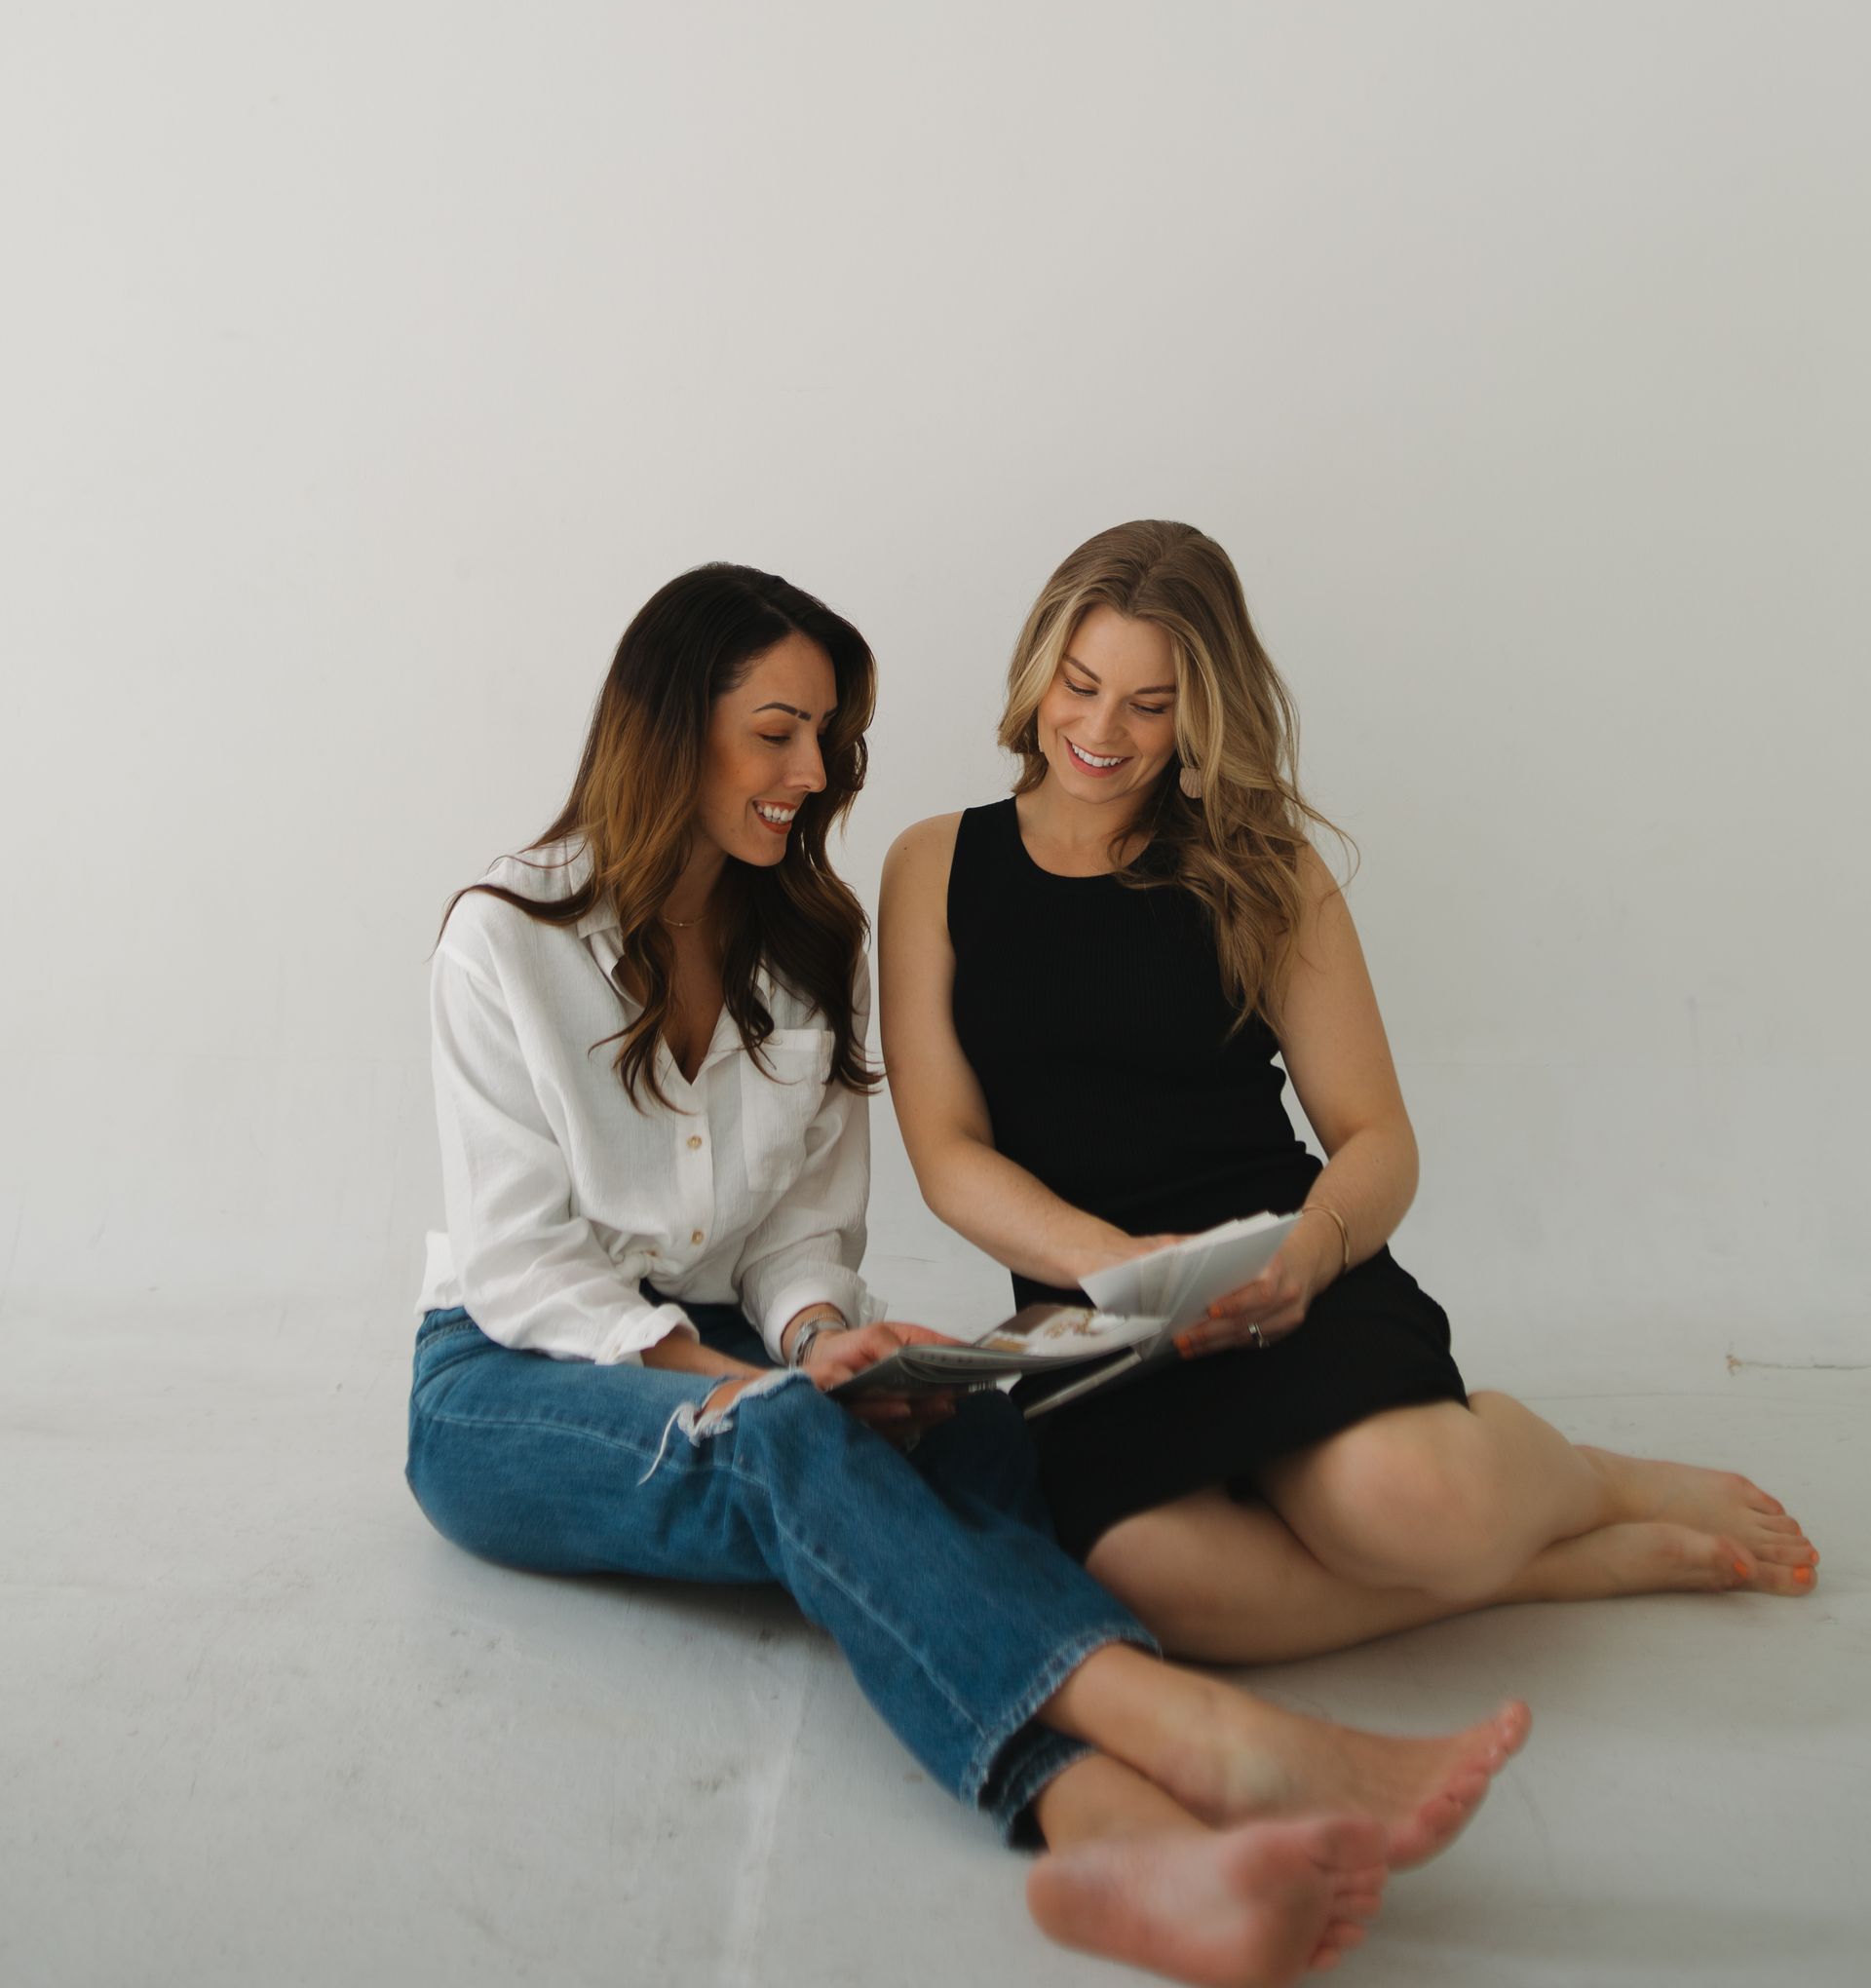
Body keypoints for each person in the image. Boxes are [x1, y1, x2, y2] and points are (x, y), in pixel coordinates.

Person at [405, 561, 1531, 1988]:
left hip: (730, 1361)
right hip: (510, 1381)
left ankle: (1119, 1841)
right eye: (778, 731)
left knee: (992, 1433)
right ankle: (1210, 1740)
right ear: (670, 724)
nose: (815, 773)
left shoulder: (807, 946)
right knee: (792, 1431)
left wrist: (820, 1333)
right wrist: (768, 1382)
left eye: (828, 738)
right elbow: (524, 1282)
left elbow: (799, 1241)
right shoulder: (504, 941)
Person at [879, 520, 1819, 1666]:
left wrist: (1313, 1252)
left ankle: (1580, 1477)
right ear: (1039, 670)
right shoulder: (933, 864)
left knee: (1406, 1508)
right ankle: (1552, 1567)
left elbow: (1377, 1137)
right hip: (1095, 1313)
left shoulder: (1264, 866)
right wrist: (1112, 1265)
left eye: (1151, 702)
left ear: (1203, 710)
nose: (1101, 731)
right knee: (1156, 1585)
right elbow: (946, 1153)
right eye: (1081, 685)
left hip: (1280, 1267)